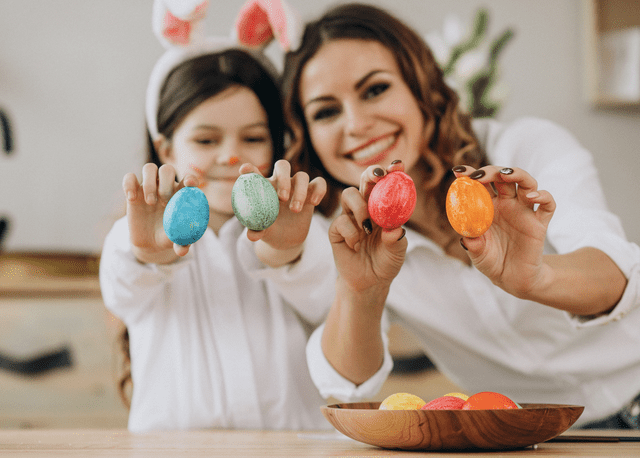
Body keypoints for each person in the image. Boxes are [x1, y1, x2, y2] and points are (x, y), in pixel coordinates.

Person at [278, 3, 640, 428]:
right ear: (309, 136)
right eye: (326, 111)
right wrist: (362, 292)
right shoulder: (346, 232)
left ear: (422, 85)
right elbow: (344, 382)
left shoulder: (524, 149)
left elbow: (615, 271)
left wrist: (536, 277)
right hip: (540, 439)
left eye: (375, 89)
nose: (356, 124)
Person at [99, 0, 330, 432]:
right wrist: (151, 255)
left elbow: (326, 298)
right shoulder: (134, 234)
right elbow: (121, 287)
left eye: (254, 137)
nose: (230, 155)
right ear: (167, 149)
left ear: (276, 148)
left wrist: (288, 253)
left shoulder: (303, 226)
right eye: (206, 139)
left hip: (293, 447)